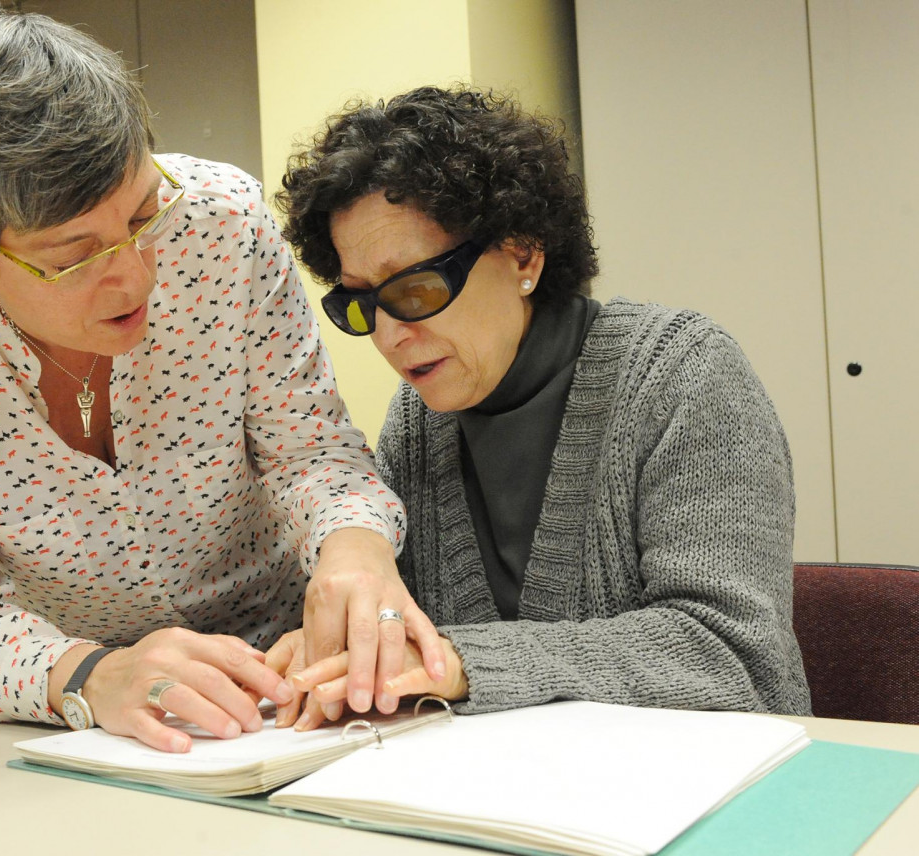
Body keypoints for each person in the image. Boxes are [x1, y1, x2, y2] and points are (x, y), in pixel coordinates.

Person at [0, 4, 443, 753]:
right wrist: (91, 675)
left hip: (289, 671)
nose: (135, 277)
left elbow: (313, 453)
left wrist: (355, 552)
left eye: (143, 216)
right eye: (73, 257)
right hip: (93, 712)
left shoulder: (224, 225)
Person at [270, 85, 811, 723]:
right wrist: (355, 645)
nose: (388, 337)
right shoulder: (418, 422)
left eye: (415, 289)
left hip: (717, 777)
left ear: (522, 252)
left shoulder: (683, 374)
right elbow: (407, 630)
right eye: (360, 305)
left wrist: (461, 662)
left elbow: (734, 659)